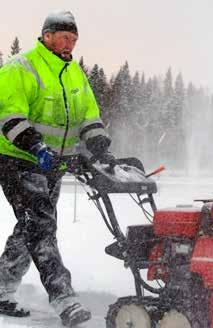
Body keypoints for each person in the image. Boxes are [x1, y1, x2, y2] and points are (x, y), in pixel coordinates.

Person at [0, 11, 111, 327]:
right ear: (46, 35)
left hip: (54, 165)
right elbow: (9, 116)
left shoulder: (74, 74)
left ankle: (1, 287)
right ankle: (65, 300)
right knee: (42, 227)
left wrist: (99, 144)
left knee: (31, 228)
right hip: (18, 160)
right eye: (64, 37)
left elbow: (89, 115)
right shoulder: (21, 67)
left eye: (74, 39)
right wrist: (36, 145)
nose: (69, 44)